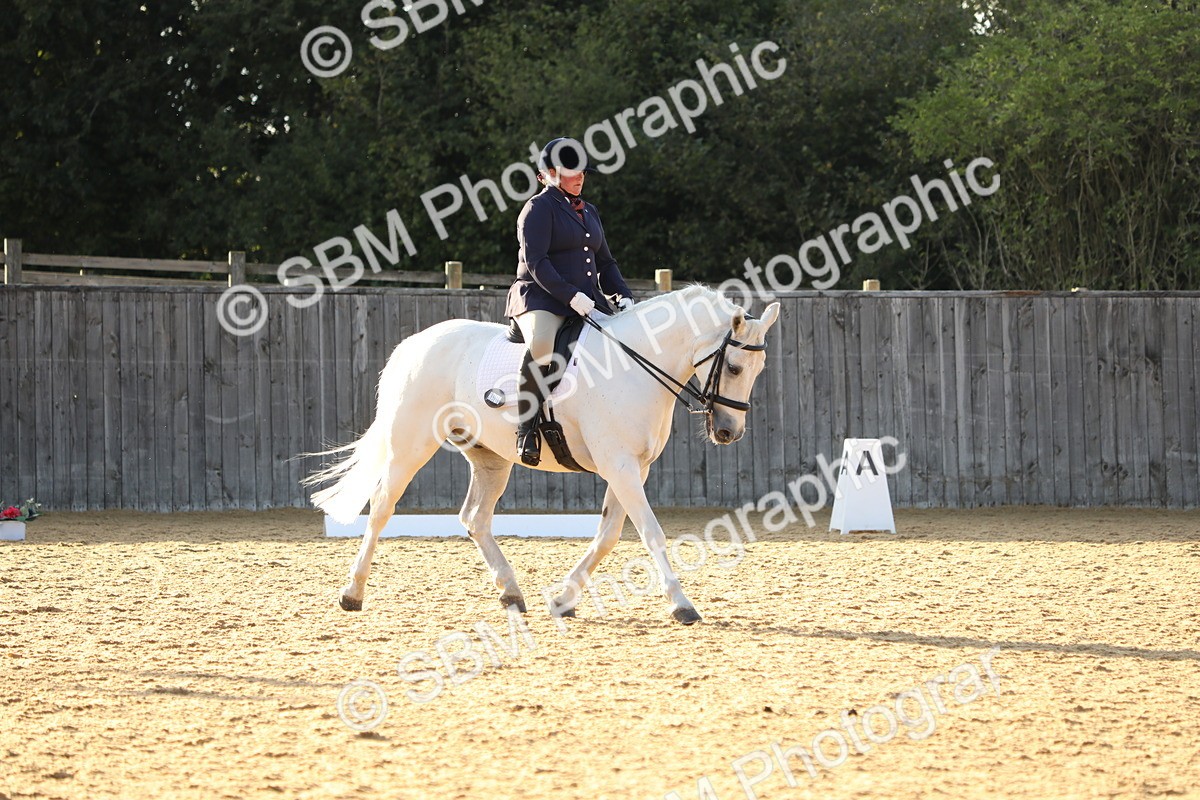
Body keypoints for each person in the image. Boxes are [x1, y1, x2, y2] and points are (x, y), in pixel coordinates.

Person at [504, 137, 635, 466]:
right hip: (541, 297)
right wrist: (569, 295)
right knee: (543, 345)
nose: (580, 178)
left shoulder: (589, 211)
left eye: (583, 173)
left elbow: (606, 262)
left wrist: (623, 297)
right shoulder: (537, 208)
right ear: (549, 174)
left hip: (586, 300)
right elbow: (536, 262)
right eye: (572, 172)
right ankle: (526, 428)